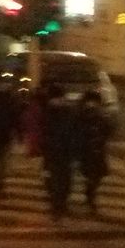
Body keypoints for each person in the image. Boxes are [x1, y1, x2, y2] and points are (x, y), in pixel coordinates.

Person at [41, 83, 76, 221]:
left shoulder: (66, 112)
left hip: (62, 152)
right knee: (55, 181)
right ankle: (58, 205)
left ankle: (59, 205)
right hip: (55, 153)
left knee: (62, 181)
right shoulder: (50, 112)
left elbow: (73, 132)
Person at [76, 90, 113, 215]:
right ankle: (90, 198)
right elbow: (108, 130)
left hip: (93, 150)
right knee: (93, 175)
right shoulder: (85, 114)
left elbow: (108, 130)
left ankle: (90, 195)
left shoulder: (98, 115)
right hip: (90, 150)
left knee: (94, 176)